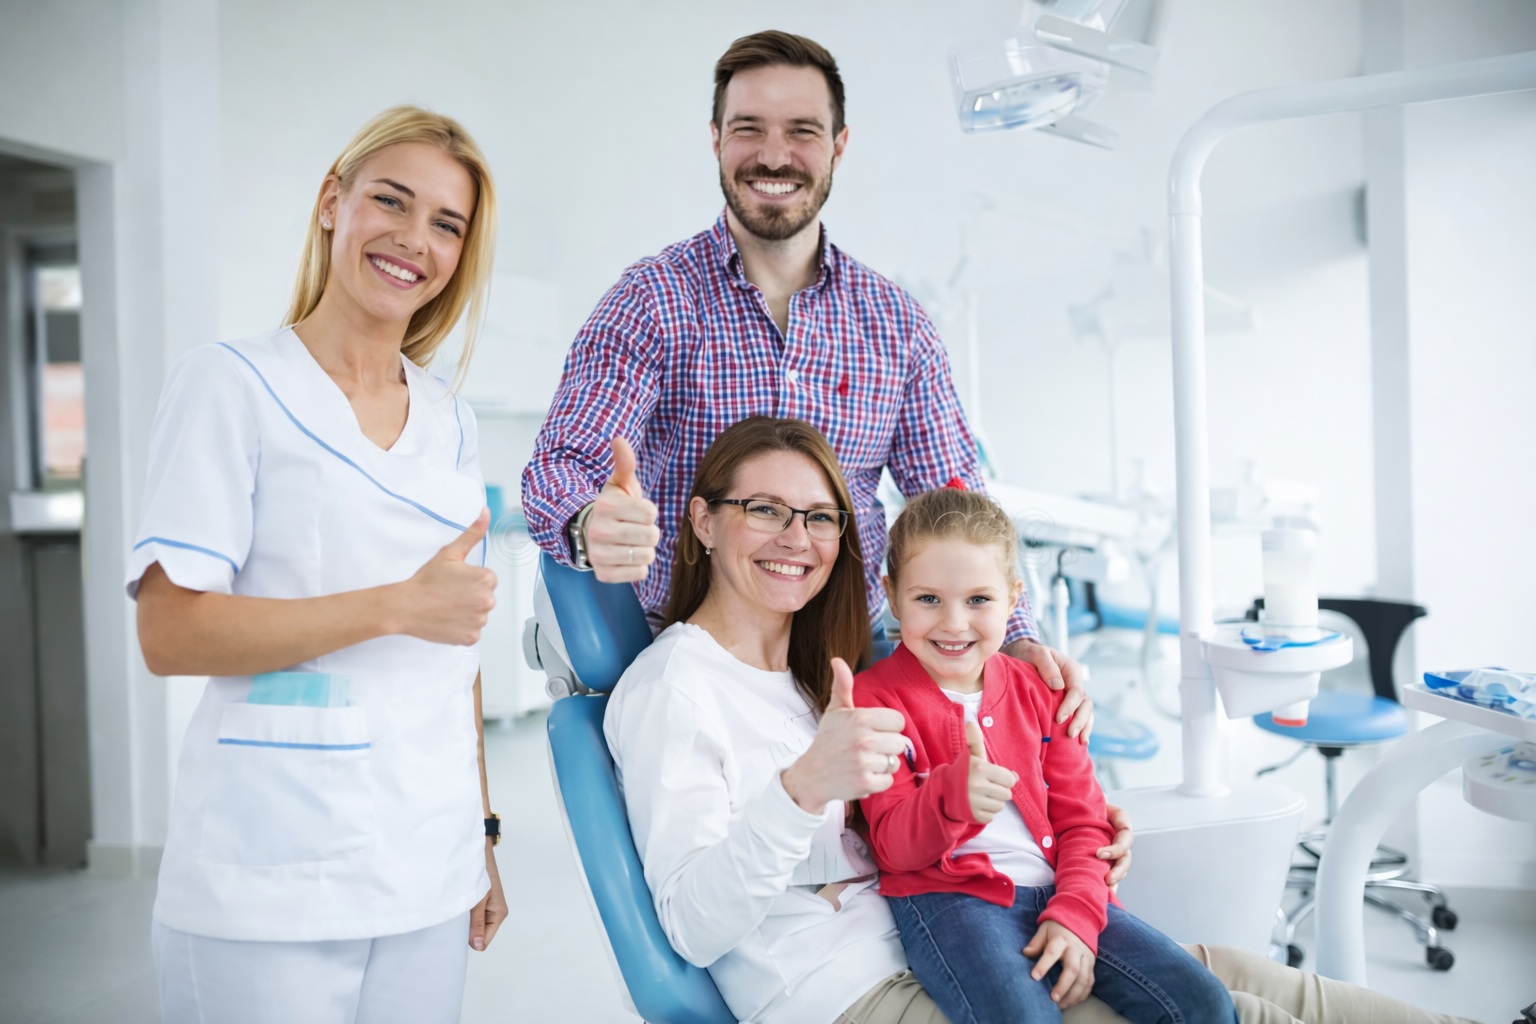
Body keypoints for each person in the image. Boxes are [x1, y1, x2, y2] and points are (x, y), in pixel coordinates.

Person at [605, 416, 1483, 1024]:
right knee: (1236, 1015)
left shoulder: (815, 675)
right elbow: (691, 923)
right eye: (763, 509)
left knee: (1238, 977)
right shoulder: (674, 688)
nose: (794, 535)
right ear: (702, 522)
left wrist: (1075, 834)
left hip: (980, 921)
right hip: (856, 985)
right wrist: (806, 792)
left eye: (819, 516)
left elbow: (911, 810)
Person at [522, 29, 1092, 724]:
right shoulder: (652, 303)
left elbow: (956, 502)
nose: (773, 155)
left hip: (855, 652)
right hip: (698, 655)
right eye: (748, 129)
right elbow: (560, 467)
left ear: (838, 146)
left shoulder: (896, 324)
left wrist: (1021, 634)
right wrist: (588, 525)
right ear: (715, 139)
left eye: (801, 131)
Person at [129, 106, 506, 1024]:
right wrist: (393, 606)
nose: (414, 240)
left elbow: (456, 644)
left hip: (427, 859)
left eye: (447, 225)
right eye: (392, 201)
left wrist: (482, 834)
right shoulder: (231, 383)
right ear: (333, 203)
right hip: (271, 868)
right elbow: (170, 632)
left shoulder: (451, 419)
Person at [857, 487, 1235, 1023]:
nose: (954, 623)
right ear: (892, 596)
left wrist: (1077, 912)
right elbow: (893, 847)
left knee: (1204, 1002)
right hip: (952, 901)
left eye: (978, 600)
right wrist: (949, 797)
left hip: (1059, 886)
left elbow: (1085, 822)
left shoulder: (1043, 690)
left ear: (1013, 601)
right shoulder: (874, 699)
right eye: (928, 599)